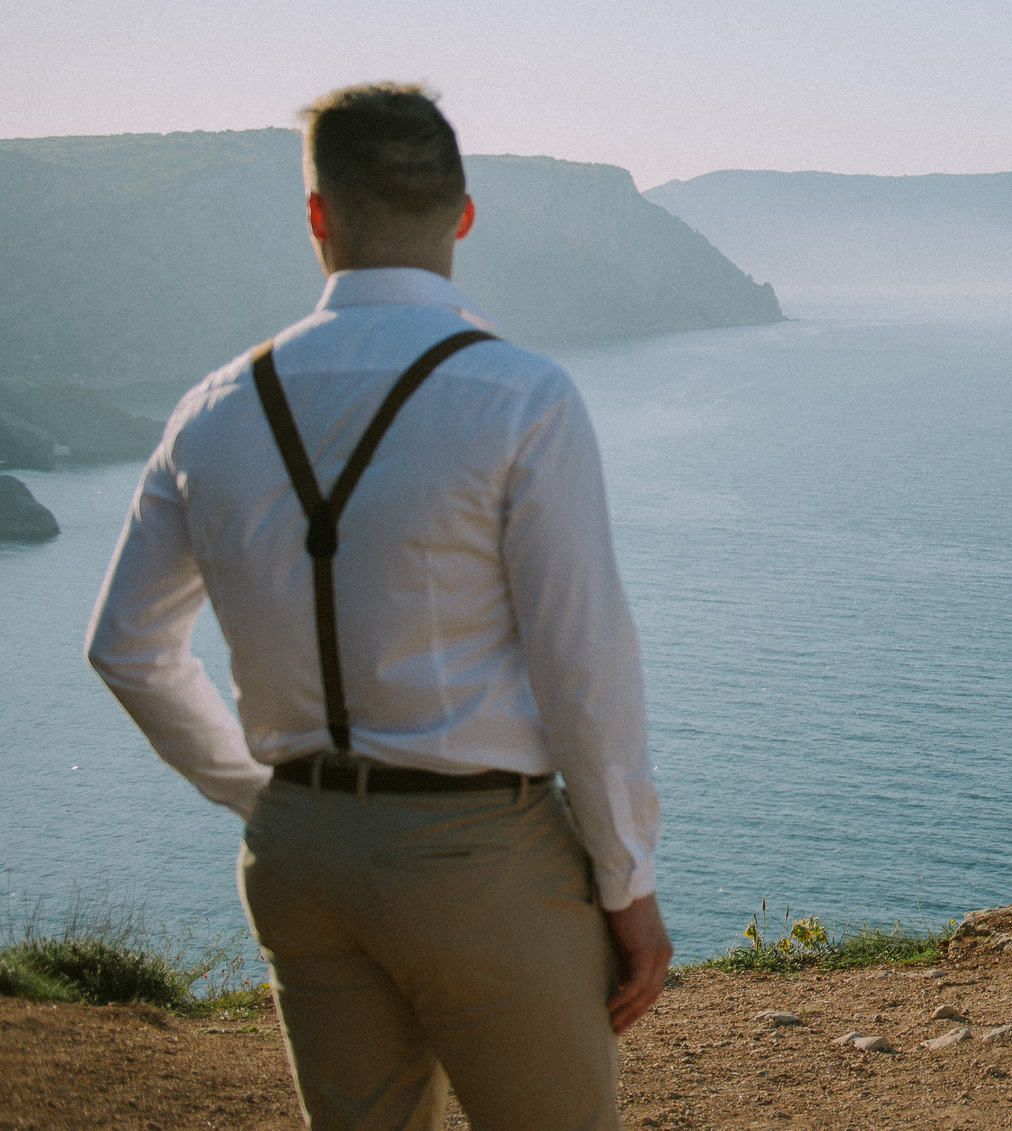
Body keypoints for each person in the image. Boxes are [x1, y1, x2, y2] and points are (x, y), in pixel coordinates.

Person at [85, 83, 668, 1131]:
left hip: (300, 856)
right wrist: (628, 884)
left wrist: (263, 795)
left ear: (318, 214)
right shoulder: (519, 396)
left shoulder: (212, 408)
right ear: (463, 213)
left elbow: (126, 649)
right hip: (478, 855)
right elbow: (583, 661)